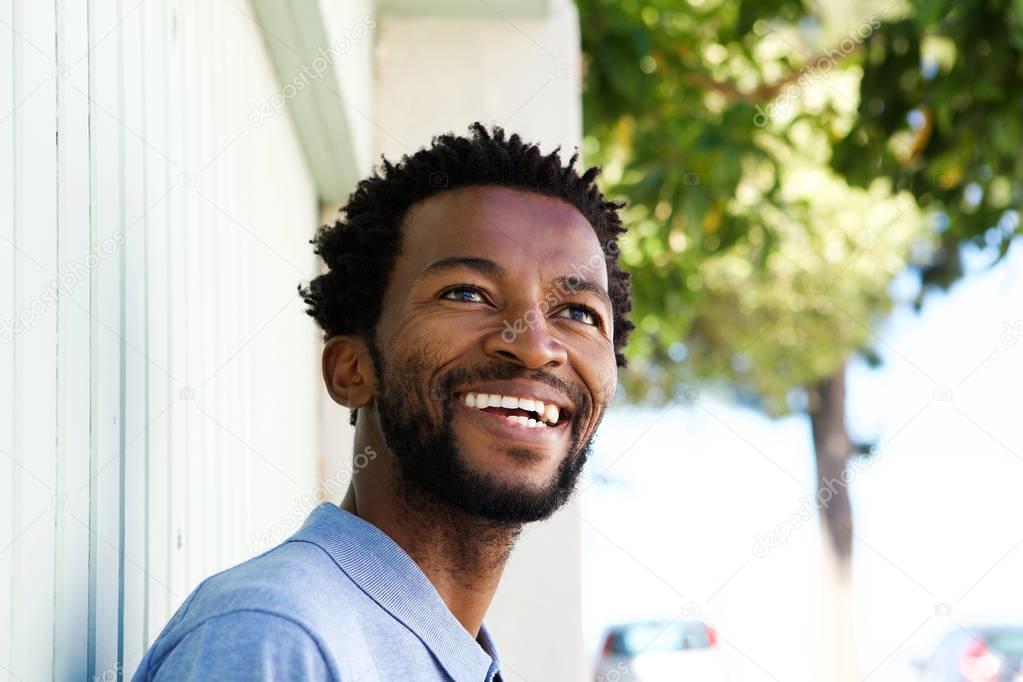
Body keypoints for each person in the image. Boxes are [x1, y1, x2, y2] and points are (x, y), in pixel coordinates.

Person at [132, 122, 635, 681]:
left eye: (579, 313)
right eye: (467, 293)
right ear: (352, 370)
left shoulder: (452, 655)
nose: (536, 345)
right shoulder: (277, 635)